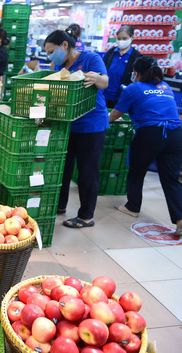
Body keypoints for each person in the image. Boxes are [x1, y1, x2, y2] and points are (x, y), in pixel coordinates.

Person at [109, 56, 182, 235]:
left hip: (150, 134)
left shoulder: (133, 88)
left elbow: (115, 114)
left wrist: (100, 122)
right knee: (171, 179)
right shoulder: (165, 87)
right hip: (176, 133)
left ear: (136, 73)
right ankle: (180, 220)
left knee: (137, 171)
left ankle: (133, 207)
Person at [46, 28, 109, 229]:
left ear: (64, 45)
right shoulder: (59, 66)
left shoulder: (90, 58)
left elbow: (105, 82)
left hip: (91, 125)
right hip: (68, 125)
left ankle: (86, 216)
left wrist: (96, 79)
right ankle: (60, 206)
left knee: (87, 171)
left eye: (51, 51)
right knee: (63, 169)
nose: (50, 56)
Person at [103, 25, 141, 109]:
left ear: (132, 37)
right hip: (104, 95)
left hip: (123, 97)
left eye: (124, 38)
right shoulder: (111, 53)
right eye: (119, 38)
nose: (121, 41)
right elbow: (102, 68)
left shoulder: (136, 57)